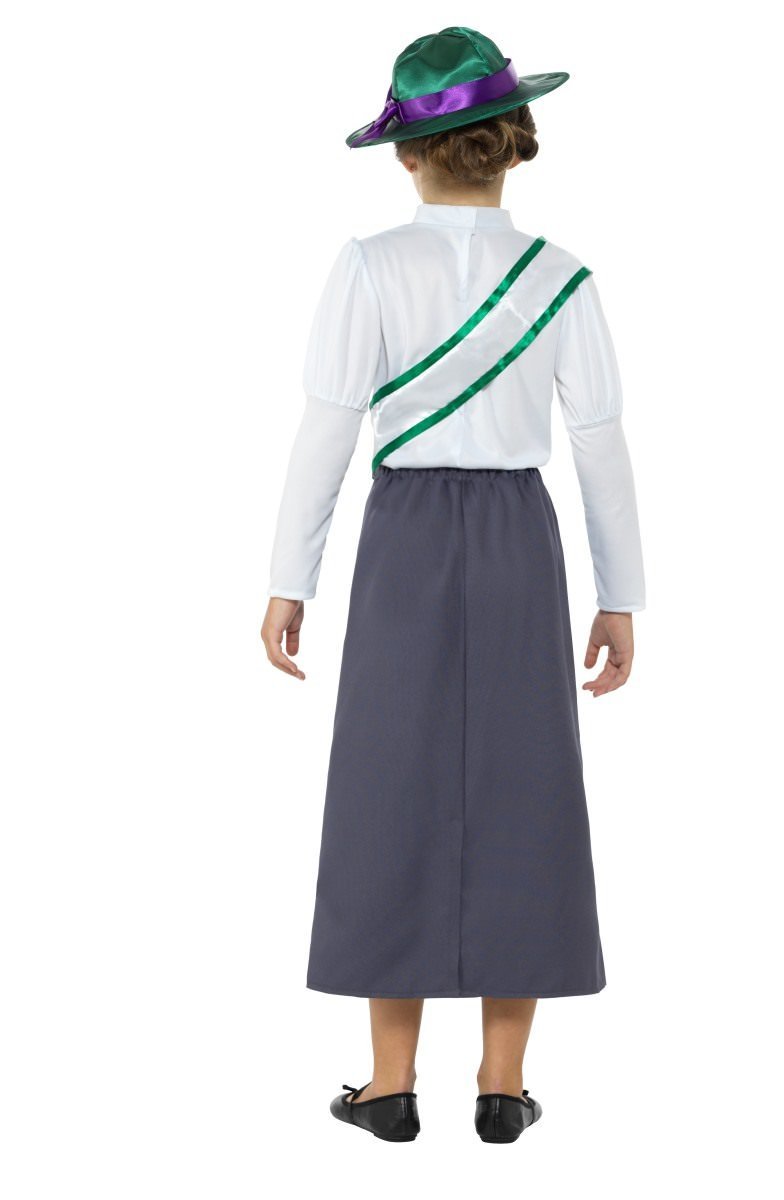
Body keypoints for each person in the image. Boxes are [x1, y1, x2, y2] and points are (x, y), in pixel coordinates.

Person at [260, 25, 646, 1144]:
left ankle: (389, 1085)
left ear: (405, 152)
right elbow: (601, 445)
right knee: (526, 788)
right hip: (522, 536)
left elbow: (328, 431)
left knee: (390, 785)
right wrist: (620, 596)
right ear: (517, 143)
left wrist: (290, 579)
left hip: (407, 535)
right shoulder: (564, 275)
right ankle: (502, 1084)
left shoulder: (370, 265)